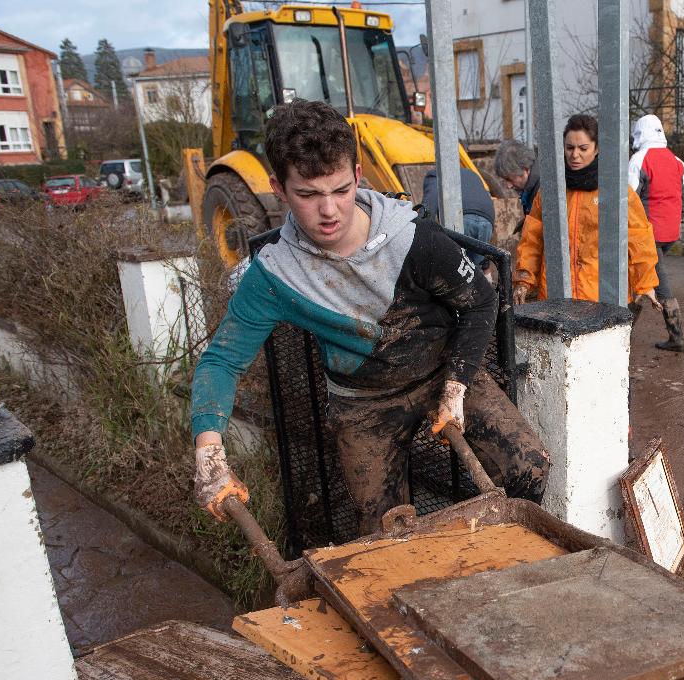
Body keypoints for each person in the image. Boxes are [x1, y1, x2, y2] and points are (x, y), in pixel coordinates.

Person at [190, 100, 549, 536]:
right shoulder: (275, 275)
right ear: (278, 190)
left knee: (529, 467)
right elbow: (222, 362)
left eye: (340, 190)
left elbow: (480, 302)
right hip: (362, 402)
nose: (329, 211)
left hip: (441, 371)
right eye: (307, 194)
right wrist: (209, 451)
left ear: (357, 176)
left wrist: (456, 384)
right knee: (383, 535)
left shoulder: (413, 238)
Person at [512, 114, 660, 308]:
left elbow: (637, 236)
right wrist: (524, 279)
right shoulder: (551, 189)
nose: (575, 155)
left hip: (602, 298)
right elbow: (533, 238)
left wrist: (645, 282)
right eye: (569, 148)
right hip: (556, 296)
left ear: (596, 148)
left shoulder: (616, 189)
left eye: (583, 148)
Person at [628, 114, 684, 352]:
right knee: (637, 279)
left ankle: (676, 339)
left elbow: (628, 199)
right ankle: (621, 334)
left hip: (647, 234)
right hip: (671, 232)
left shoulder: (639, 160)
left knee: (656, 283)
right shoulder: (677, 161)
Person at [421, 166, 497, 243]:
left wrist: (422, 229)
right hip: (487, 220)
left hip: (462, 216)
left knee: (454, 254)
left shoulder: (434, 175)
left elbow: (429, 204)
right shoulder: (471, 173)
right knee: (479, 253)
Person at [494, 139, 540, 218]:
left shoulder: (542, 190)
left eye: (510, 179)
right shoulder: (531, 191)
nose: (509, 186)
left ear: (525, 169)